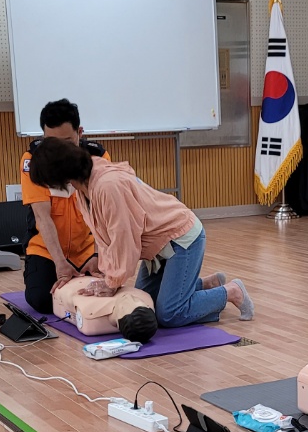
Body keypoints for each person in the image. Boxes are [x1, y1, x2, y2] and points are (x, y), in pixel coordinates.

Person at [25, 137, 253, 327]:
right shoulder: (82, 187)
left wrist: (111, 282)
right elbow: (105, 236)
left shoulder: (107, 185)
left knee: (168, 314)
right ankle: (205, 286)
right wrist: (103, 269)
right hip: (157, 247)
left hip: (180, 239)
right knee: (145, 306)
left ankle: (230, 291)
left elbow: (125, 240)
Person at [18, 99, 109, 314]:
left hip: (86, 248)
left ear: (79, 133)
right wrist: (60, 263)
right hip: (46, 250)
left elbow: (102, 214)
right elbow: (43, 218)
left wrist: (98, 255)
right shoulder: (33, 161)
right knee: (42, 300)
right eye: (52, 142)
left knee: (99, 297)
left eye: (67, 141)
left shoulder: (97, 157)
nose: (59, 151)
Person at [52, 277, 158, 342]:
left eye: (128, 303)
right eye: (136, 299)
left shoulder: (91, 312)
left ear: (121, 315)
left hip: (69, 283)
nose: (129, 297)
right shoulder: (146, 299)